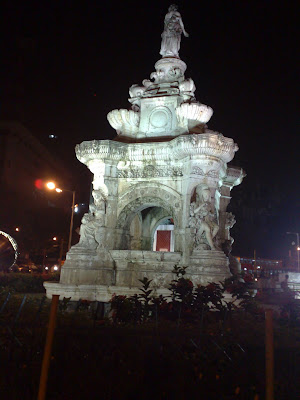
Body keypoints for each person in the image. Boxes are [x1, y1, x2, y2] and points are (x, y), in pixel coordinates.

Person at [193, 184, 219, 250]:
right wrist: (201, 206)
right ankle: (212, 246)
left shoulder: (209, 204)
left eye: (208, 196)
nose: (207, 197)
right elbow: (195, 211)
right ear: (202, 195)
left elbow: (212, 213)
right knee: (207, 228)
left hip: (207, 220)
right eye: (206, 196)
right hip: (200, 220)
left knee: (216, 227)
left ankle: (209, 240)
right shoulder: (198, 203)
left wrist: (211, 210)